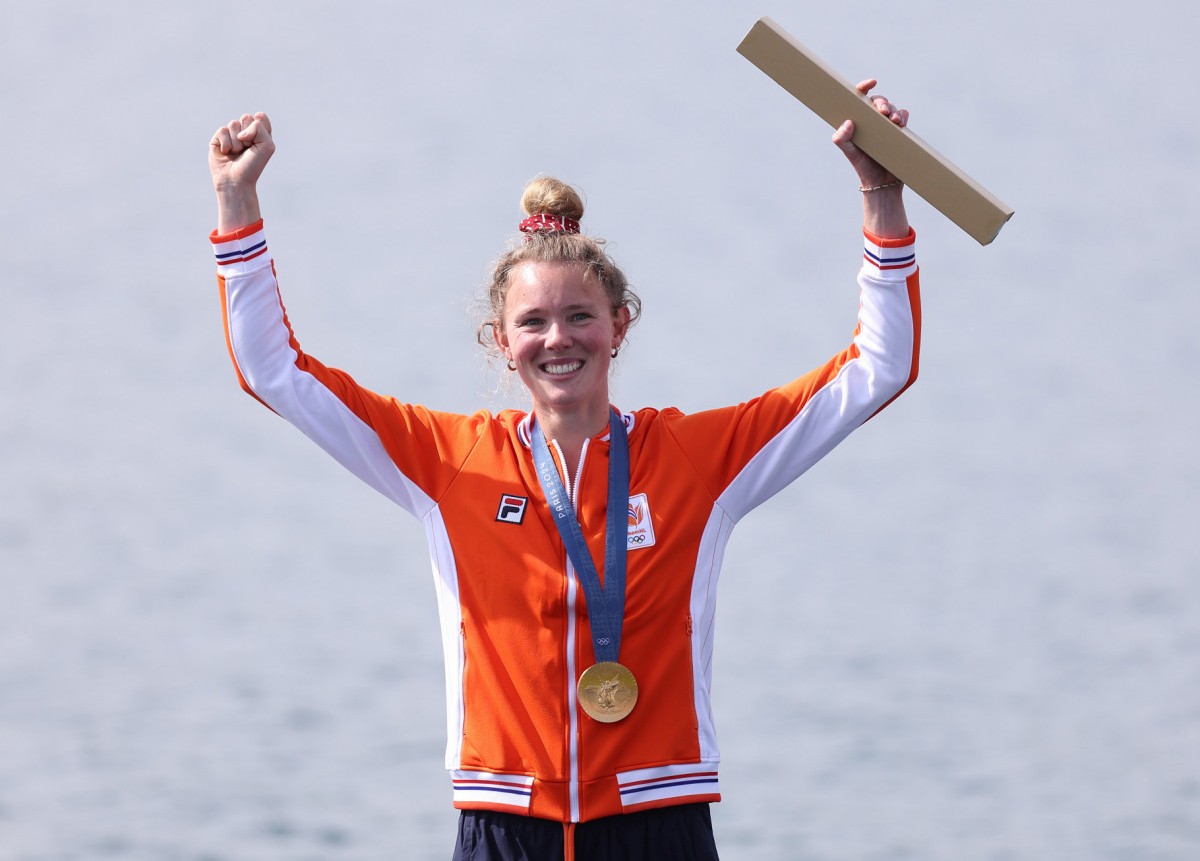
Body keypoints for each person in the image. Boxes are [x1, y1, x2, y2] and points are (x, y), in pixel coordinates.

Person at [207, 80, 920, 861]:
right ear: (499, 340)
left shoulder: (696, 459)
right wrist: (236, 205)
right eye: (533, 322)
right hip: (504, 819)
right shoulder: (449, 464)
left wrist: (881, 196)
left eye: (580, 316)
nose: (559, 340)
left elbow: (878, 369)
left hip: (659, 813)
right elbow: (273, 369)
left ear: (619, 324)